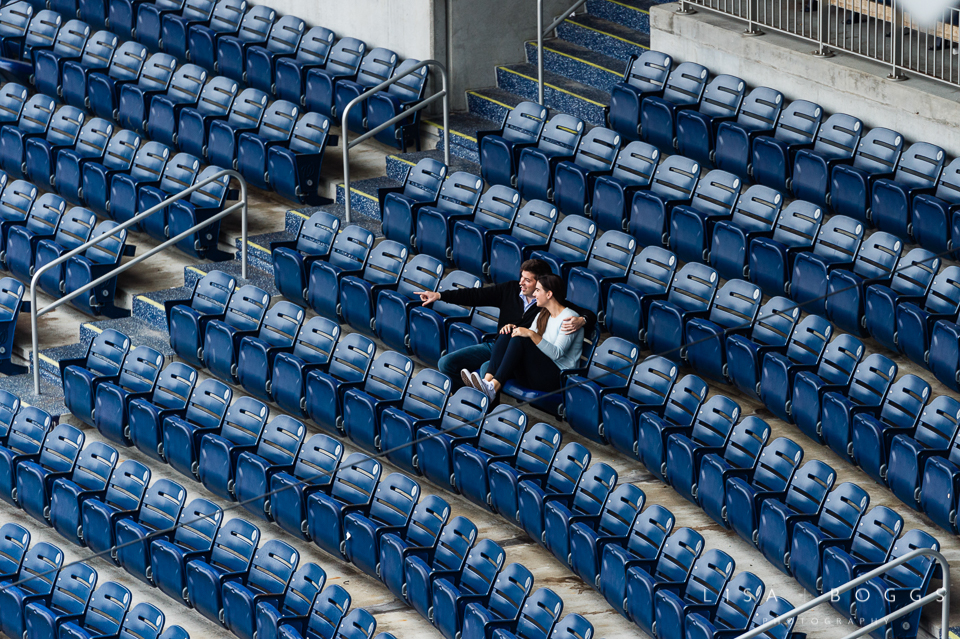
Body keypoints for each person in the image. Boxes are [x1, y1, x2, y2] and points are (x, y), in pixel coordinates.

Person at [416, 259, 595, 389]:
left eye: (527, 280)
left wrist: (582, 320)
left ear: (541, 283)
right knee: (446, 363)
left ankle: (484, 405)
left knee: (488, 367)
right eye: (521, 277)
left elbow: (585, 313)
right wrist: (440, 296)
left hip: (523, 351)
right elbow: (475, 295)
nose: (521, 283)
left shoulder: (548, 303)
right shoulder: (510, 289)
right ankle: (470, 398)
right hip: (498, 344)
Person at [465, 274, 582, 403]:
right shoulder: (543, 314)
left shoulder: (569, 318)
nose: (535, 294)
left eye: (538, 290)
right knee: (509, 332)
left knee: (521, 338)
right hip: (537, 371)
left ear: (549, 294)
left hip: (556, 380)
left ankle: (492, 388)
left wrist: (531, 334)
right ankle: (486, 383)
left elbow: (556, 354)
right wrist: (512, 328)